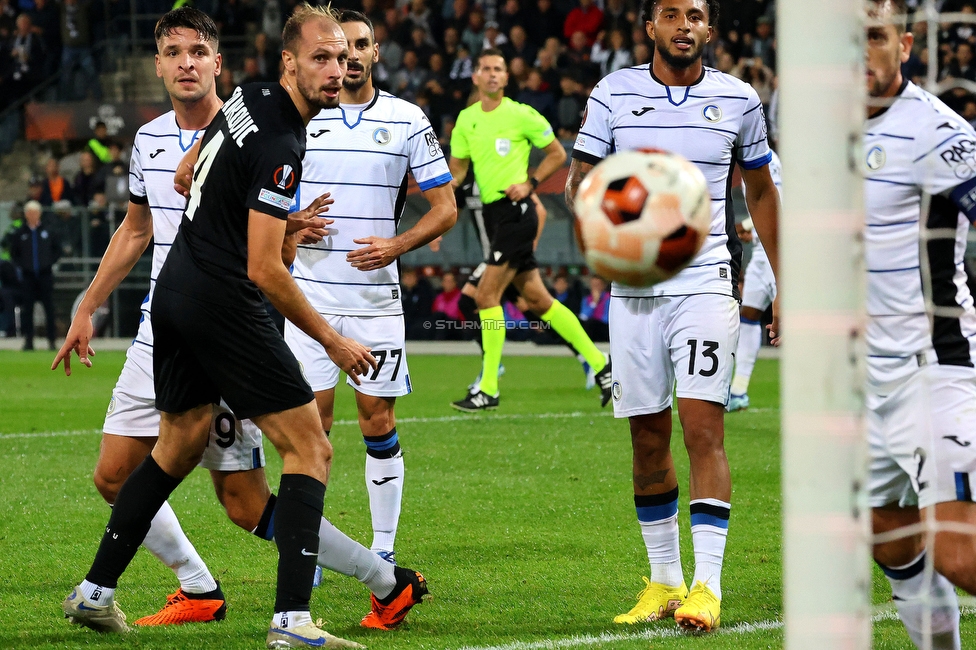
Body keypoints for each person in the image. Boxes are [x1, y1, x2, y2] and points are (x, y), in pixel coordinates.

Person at [55, 7, 426, 646]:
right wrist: (332, 340)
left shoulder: (248, 98)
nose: (336, 71)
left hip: (172, 294)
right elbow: (265, 269)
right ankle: (292, 620)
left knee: (176, 448)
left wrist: (255, 213)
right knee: (310, 448)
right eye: (321, 58)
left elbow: (180, 176)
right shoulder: (284, 143)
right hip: (224, 304)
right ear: (290, 61)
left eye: (342, 58)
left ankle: (95, 591)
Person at [565, 0, 780, 632]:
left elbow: (761, 191)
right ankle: (662, 581)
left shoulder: (739, 100)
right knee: (646, 436)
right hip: (633, 291)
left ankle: (707, 588)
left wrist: (783, 279)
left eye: (694, 15)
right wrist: (606, 222)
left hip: (705, 284)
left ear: (710, 30)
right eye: (670, 14)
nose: (682, 25)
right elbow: (581, 181)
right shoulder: (614, 93)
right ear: (650, 26)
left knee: (702, 430)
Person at [284, 9, 456, 569]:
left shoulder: (407, 120)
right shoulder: (301, 117)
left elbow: (445, 207)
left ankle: (383, 546)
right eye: (340, 49)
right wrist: (292, 222)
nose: (350, 57)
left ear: (376, 53)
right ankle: (311, 549)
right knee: (311, 430)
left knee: (377, 421)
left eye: (361, 45)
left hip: (375, 302)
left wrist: (395, 246)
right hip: (308, 298)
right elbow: (262, 195)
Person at [863, 1, 976, 647]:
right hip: (858, 379)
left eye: (875, 38)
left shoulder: (939, 132)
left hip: (931, 368)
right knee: (890, 538)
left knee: (958, 556)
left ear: (903, 45)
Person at [448, 47, 611, 412]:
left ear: (507, 78)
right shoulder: (465, 120)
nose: (492, 74)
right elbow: (457, 172)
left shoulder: (521, 115)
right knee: (539, 301)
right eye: (486, 68)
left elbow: (556, 153)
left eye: (499, 69)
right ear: (475, 76)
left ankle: (488, 387)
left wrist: (531, 183)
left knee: (485, 296)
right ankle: (602, 365)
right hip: (494, 216)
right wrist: (439, 197)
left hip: (517, 212)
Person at [727, 150, 782, 412]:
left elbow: (776, 198)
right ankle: (738, 390)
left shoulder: (766, 158)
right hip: (761, 251)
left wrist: (748, 225)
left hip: (778, 250)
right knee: (748, 314)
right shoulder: (746, 157)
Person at [8, 200, 59, 350]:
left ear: (39, 214)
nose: (32, 215)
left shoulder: (47, 231)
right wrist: (23, 266)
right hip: (28, 277)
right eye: (29, 213)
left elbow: (57, 249)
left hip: (45, 276)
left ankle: (52, 340)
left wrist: (48, 262)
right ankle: (29, 340)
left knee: (49, 308)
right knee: (27, 309)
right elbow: (14, 253)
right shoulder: (20, 233)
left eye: (34, 212)